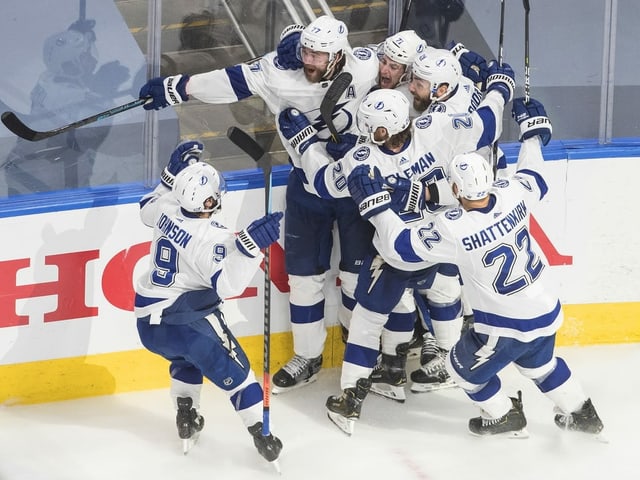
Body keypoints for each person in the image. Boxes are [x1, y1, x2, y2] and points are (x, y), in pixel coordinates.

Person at [138, 15, 380, 394]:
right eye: (307, 52)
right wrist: (178, 87)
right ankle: (308, 356)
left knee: (356, 279)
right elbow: (232, 81)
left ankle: (359, 353)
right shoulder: (279, 71)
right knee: (303, 282)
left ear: (338, 55)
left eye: (319, 56)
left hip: (358, 189)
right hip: (307, 185)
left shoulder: (367, 64)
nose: (310, 61)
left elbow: (406, 66)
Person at [279, 57, 514, 433]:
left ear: (376, 130)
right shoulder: (435, 125)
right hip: (440, 246)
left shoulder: (362, 161)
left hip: (396, 256)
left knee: (367, 323)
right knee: (447, 306)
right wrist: (501, 86)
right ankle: (492, 401)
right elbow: (486, 125)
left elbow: (322, 183)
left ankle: (352, 399)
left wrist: (305, 143)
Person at [346, 97, 605, 438]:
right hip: (546, 310)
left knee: (461, 370)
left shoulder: (454, 227)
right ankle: (584, 415)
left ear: (455, 189)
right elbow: (534, 175)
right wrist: (532, 135)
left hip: (505, 324)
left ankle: (502, 416)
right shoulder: (512, 192)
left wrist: (375, 205)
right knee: (541, 365)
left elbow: (400, 248)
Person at [134, 141, 284, 462]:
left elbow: (146, 206)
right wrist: (251, 247)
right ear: (211, 199)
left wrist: (168, 175)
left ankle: (186, 415)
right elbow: (228, 284)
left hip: (149, 326)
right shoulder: (213, 238)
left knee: (186, 359)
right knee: (240, 378)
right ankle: (262, 434)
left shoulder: (166, 209)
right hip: (188, 323)